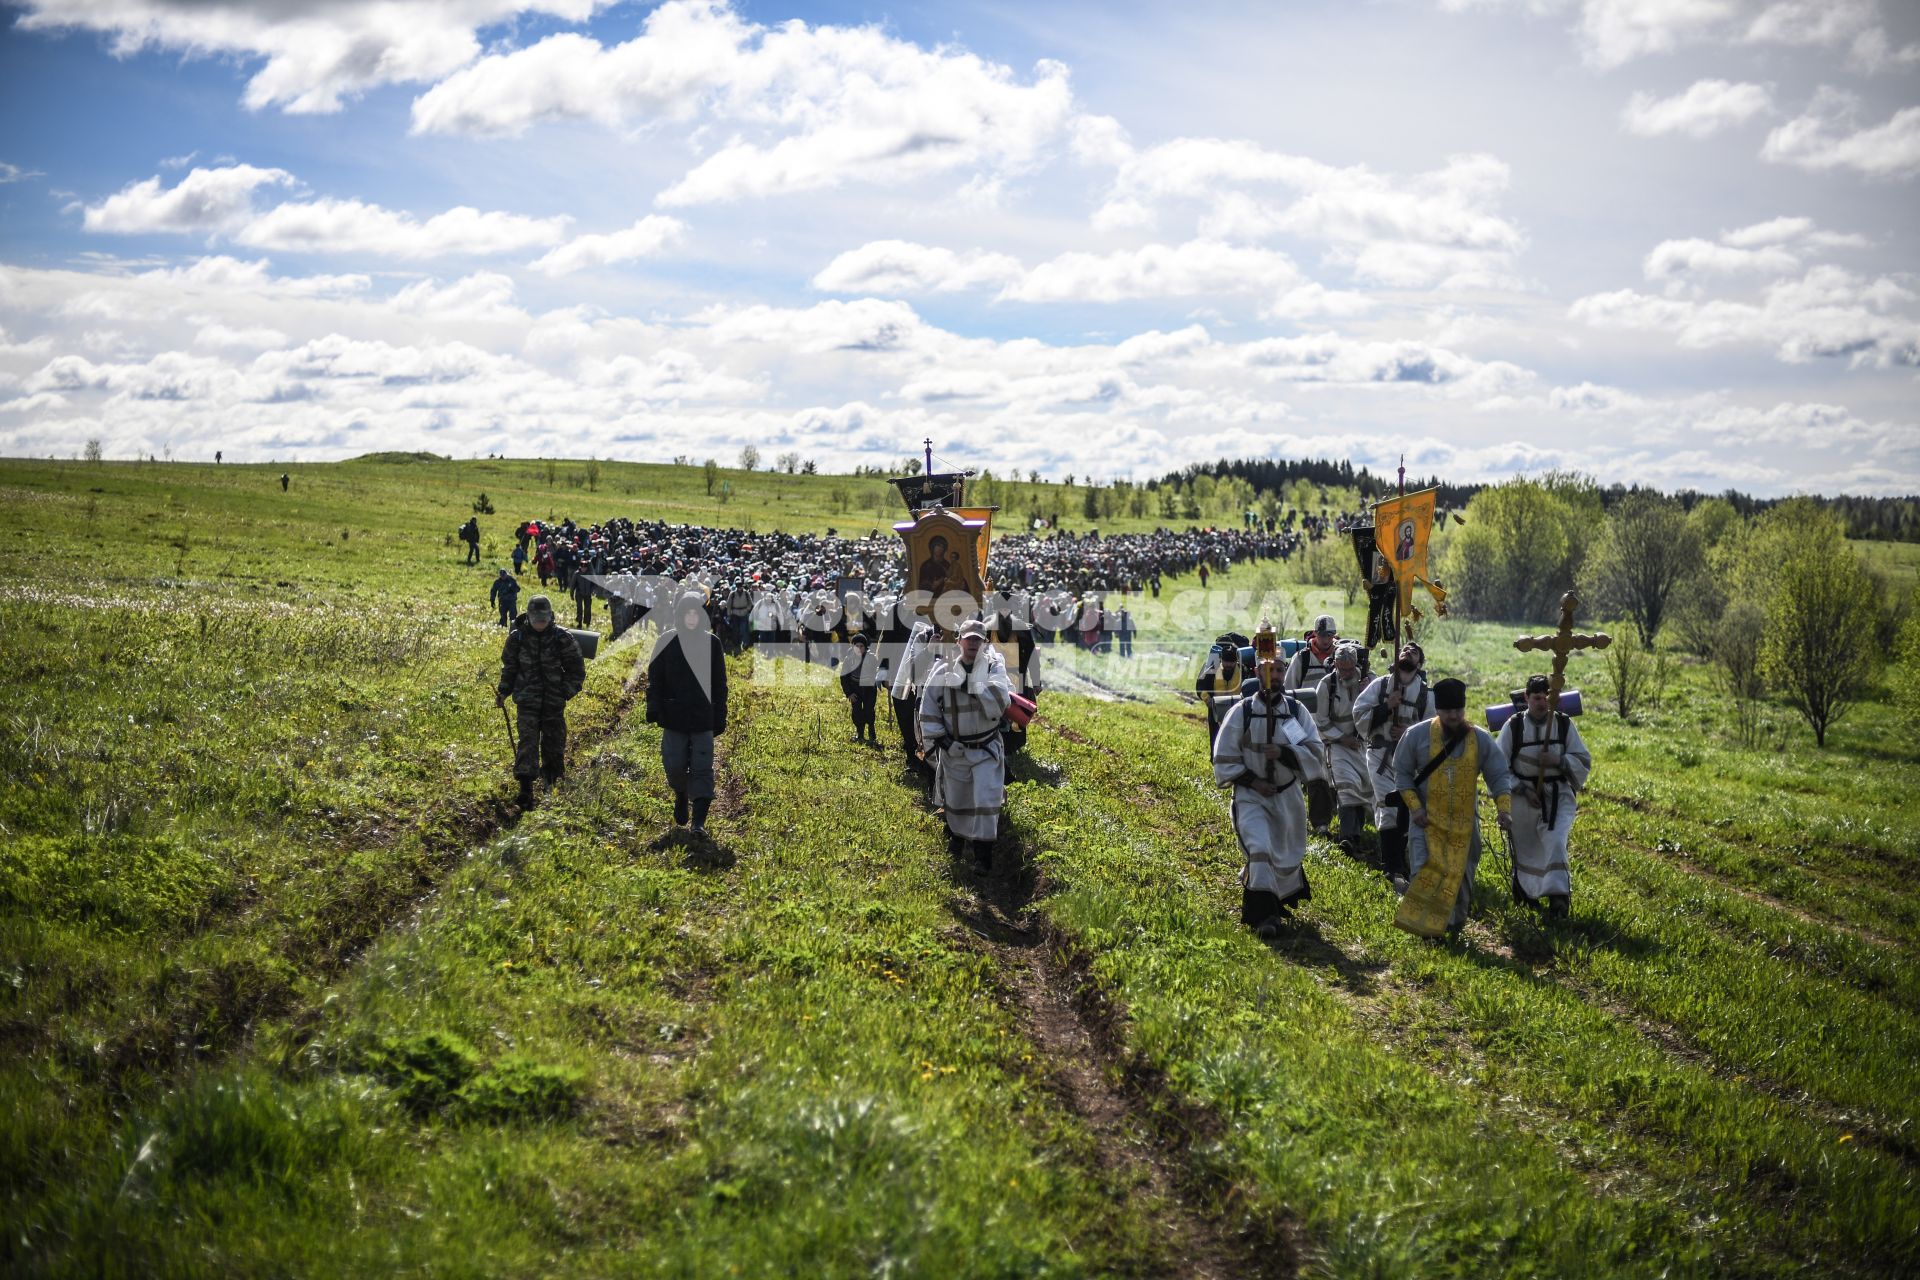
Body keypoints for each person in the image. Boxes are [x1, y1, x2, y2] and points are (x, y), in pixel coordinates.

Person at [1212, 653, 1325, 939]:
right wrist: (1254, 782)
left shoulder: (1295, 713)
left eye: (1279, 670)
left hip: (1286, 798)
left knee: (1283, 854)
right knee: (1260, 847)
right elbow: (1224, 757)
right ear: (1258, 672)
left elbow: (1314, 752)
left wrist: (1286, 753)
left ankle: (1274, 903)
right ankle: (1264, 917)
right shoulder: (1242, 712)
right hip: (1252, 797)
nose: (1274, 676)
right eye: (1269, 670)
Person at [1390, 678, 1513, 937]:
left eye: (1459, 711)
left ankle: (1453, 926)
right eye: (1449, 711)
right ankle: (1426, 931)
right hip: (1426, 821)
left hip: (1465, 826)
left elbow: (1499, 774)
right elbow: (1401, 773)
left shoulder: (1478, 738)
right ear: (1438, 710)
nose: (1455, 716)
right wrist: (1415, 808)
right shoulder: (1417, 735)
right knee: (1425, 870)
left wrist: (1504, 809)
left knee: (1461, 876)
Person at [919, 618, 1015, 875]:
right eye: (968, 638)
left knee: (985, 800)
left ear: (984, 643)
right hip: (956, 751)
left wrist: (966, 684)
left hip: (986, 750)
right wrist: (943, 741)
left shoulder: (995, 667)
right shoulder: (942, 671)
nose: (973, 643)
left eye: (978, 639)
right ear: (959, 640)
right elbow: (927, 708)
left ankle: (984, 859)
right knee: (957, 800)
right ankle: (956, 845)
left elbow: (1001, 698)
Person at [1498, 675, 1591, 919]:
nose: (1542, 703)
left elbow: (1583, 759)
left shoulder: (1562, 724)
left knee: (1555, 842)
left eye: (1547, 698)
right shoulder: (1514, 726)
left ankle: (1559, 900)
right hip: (1523, 797)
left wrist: (1559, 760)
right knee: (1527, 847)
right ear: (1527, 697)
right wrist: (1522, 788)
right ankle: (1526, 895)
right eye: (1537, 698)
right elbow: (1499, 767)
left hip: (1558, 796)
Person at [646, 592, 729, 834]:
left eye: (696, 613)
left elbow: (720, 683)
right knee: (674, 764)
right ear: (680, 615)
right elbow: (655, 679)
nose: (692, 617)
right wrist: (654, 707)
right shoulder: (666, 641)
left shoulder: (712, 643)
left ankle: (699, 822)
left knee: (703, 768)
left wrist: (720, 715)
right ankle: (681, 794)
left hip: (703, 717)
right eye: (687, 613)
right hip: (674, 716)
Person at [495, 594, 586, 809]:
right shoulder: (517, 638)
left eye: (543, 620)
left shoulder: (562, 638)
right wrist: (503, 692)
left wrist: (564, 692)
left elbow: (577, 671)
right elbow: (509, 668)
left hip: (553, 703)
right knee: (527, 742)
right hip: (527, 701)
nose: (540, 624)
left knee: (554, 744)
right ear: (529, 617)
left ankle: (551, 785)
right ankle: (525, 789)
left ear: (550, 617)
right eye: (536, 620)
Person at [1353, 641, 1431, 888]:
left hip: (1410, 764)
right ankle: (1391, 867)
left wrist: (1408, 731)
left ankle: (1404, 861)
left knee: (1408, 808)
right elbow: (1359, 714)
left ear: (1420, 663)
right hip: (1380, 757)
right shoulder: (1381, 686)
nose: (1408, 652)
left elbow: (1433, 731)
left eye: (1414, 652)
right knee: (1387, 806)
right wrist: (1387, 707)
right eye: (1405, 649)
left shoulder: (1426, 694)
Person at [1315, 641, 1374, 854]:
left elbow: (1379, 710)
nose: (1347, 673)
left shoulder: (1369, 680)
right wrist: (1342, 738)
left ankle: (1356, 832)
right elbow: (1321, 720)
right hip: (1338, 744)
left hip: (1362, 743)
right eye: (1343, 669)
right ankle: (1348, 836)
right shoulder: (1326, 685)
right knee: (1346, 786)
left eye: (1350, 669)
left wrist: (1367, 692)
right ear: (1336, 666)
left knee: (1364, 785)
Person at [889, 618, 939, 783]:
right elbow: (915, 672)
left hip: (955, 701)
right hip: (926, 698)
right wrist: (929, 650)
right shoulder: (923, 636)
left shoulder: (964, 636)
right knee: (928, 741)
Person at [1196, 637, 1247, 747]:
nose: (1228, 665)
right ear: (1221, 660)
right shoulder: (1212, 669)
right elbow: (1200, 686)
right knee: (1215, 741)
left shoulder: (1243, 670)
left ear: (1236, 661)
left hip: (1237, 713)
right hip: (1215, 712)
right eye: (1226, 662)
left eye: (1231, 662)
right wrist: (1207, 699)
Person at [839, 632, 880, 745]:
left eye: (861, 646)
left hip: (869, 689)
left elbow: (877, 671)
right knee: (857, 712)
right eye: (856, 646)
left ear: (865, 647)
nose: (859, 648)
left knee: (869, 710)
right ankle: (860, 733)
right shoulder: (849, 659)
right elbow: (844, 677)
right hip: (855, 689)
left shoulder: (871, 658)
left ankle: (872, 732)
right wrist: (849, 693)